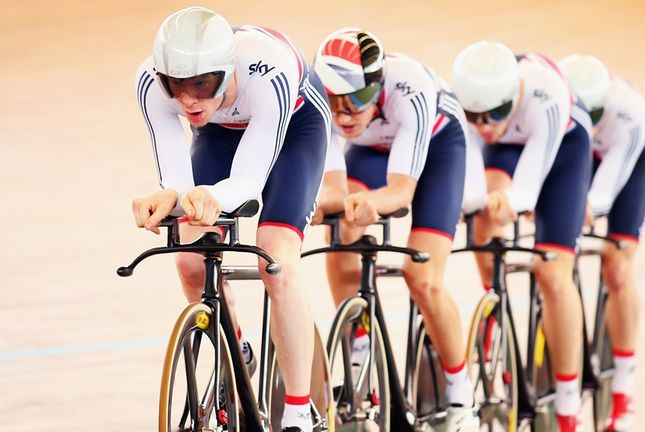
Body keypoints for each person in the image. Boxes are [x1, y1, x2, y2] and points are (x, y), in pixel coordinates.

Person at [131, 7, 330, 432]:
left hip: (296, 127)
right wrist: (169, 197)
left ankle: (299, 410)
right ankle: (236, 347)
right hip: (221, 130)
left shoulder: (267, 69)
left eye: (202, 84)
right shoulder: (150, 80)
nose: (188, 100)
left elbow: (247, 181)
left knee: (276, 261)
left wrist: (211, 197)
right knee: (188, 259)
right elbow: (176, 181)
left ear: (227, 70)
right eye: (177, 87)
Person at [312, 28, 482, 431]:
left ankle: (461, 395)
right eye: (335, 104)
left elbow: (402, 192)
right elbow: (335, 191)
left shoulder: (411, 88)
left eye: (357, 100)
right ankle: (359, 348)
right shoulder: (322, 102)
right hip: (373, 152)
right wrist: (321, 208)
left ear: (378, 85)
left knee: (422, 277)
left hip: (440, 152)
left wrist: (371, 204)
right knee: (342, 229)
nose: (345, 115)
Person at [452, 41, 593, 432]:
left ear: (512, 94)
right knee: (484, 213)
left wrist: (508, 201)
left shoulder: (545, 94)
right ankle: (494, 301)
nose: (483, 125)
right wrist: (475, 203)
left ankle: (568, 406)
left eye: (494, 113)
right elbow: (475, 189)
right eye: (473, 115)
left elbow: (526, 193)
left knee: (552, 273)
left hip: (563, 149)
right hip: (507, 152)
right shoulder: (473, 109)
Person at [559, 54, 645, 432]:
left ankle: (623, 390)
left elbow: (600, 198)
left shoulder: (629, 114)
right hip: (577, 152)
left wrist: (579, 209)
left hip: (625, 159)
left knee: (617, 265)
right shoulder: (561, 109)